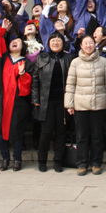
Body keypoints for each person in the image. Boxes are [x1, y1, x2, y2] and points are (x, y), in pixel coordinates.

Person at [0, 19, 34, 171]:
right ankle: (5, 158)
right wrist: (2, 30)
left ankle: (17, 159)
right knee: (0, 132)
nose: (14, 42)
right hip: (1, 101)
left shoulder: (27, 63)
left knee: (17, 132)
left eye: (18, 41)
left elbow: (26, 89)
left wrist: (22, 75)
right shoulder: (3, 58)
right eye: (12, 41)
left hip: (17, 103)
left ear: (23, 46)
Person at [65, 35, 106, 175]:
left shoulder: (103, 61)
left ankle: (96, 163)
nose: (88, 45)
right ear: (81, 46)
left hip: (99, 104)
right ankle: (82, 163)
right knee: (81, 136)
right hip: (80, 105)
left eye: (91, 43)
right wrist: (69, 104)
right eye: (85, 43)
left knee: (97, 136)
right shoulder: (75, 62)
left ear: (95, 44)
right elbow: (70, 84)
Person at [32, 32, 72, 172]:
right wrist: (35, 99)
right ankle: (42, 161)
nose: (56, 43)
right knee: (46, 132)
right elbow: (35, 80)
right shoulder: (42, 57)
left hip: (63, 101)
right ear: (48, 43)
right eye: (53, 40)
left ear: (63, 43)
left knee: (61, 132)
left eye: (58, 40)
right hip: (46, 101)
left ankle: (58, 161)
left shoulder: (68, 58)